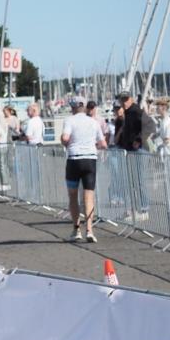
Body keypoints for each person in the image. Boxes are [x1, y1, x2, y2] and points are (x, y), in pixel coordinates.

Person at [61, 99, 106, 242]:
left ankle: (76, 229)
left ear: (73, 108)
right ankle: (90, 230)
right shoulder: (93, 122)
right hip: (90, 160)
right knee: (89, 197)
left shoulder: (69, 120)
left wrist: (65, 143)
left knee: (73, 196)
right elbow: (103, 143)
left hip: (74, 159)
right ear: (84, 107)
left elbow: (65, 137)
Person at [114, 92, 149, 220]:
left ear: (131, 99)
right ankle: (132, 209)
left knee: (139, 180)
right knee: (131, 181)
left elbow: (149, 125)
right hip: (129, 150)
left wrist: (139, 140)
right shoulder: (127, 113)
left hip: (138, 150)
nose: (124, 102)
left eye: (126, 99)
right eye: (122, 99)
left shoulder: (136, 111)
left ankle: (144, 209)